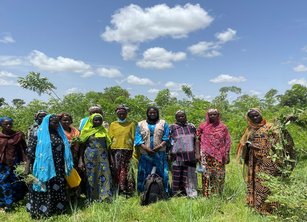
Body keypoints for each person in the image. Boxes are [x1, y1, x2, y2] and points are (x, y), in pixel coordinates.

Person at [236, 108, 295, 214]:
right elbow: (243, 144)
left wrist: (284, 123)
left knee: (267, 185)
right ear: (249, 118)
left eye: (256, 115)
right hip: (254, 162)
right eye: (252, 116)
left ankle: (270, 210)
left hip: (268, 162)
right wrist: (247, 146)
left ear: (261, 115)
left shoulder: (270, 127)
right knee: (256, 185)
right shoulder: (249, 129)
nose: (255, 118)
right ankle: (258, 208)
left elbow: (279, 136)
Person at [26, 114, 74, 218]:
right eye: (54, 122)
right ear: (47, 123)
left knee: (58, 187)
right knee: (44, 187)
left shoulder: (60, 134)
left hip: (58, 167)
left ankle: (57, 209)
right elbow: (30, 150)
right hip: (43, 167)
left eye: (58, 122)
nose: (57, 124)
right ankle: (42, 211)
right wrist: (27, 167)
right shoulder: (38, 134)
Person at [134, 106, 170, 195]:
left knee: (162, 173)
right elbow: (138, 139)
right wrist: (146, 148)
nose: (152, 114)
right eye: (150, 113)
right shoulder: (140, 124)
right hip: (145, 154)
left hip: (160, 153)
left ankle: (163, 192)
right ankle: (143, 192)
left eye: (154, 112)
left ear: (157, 113)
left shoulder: (163, 123)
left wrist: (158, 147)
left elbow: (167, 137)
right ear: (147, 113)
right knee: (144, 173)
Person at [197, 109, 231, 197]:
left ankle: (217, 194)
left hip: (220, 155)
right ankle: (207, 194)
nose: (212, 116)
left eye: (214, 114)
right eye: (210, 115)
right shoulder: (202, 126)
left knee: (219, 174)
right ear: (207, 115)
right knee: (206, 175)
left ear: (218, 115)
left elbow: (227, 141)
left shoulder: (223, 127)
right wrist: (197, 153)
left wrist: (227, 154)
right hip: (205, 155)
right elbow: (197, 139)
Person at [79, 113, 112, 202]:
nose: (98, 122)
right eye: (95, 120)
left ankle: (105, 197)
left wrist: (110, 158)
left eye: (100, 120)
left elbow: (108, 146)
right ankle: (92, 197)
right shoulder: (86, 131)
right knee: (91, 176)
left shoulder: (104, 131)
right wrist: (80, 161)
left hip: (103, 157)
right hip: (90, 157)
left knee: (105, 175)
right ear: (91, 121)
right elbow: (81, 147)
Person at [169, 110, 199, 198]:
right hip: (177, 155)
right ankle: (177, 193)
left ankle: (191, 193)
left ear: (186, 117)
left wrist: (197, 153)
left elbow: (196, 140)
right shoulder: (172, 127)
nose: (181, 118)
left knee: (190, 174)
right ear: (176, 118)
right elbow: (168, 141)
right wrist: (170, 153)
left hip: (190, 155)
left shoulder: (191, 126)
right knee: (177, 174)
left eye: (183, 116)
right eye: (179, 116)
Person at [0, 117, 27, 211]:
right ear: (1, 125)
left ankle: (16, 201)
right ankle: (6, 204)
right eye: (5, 124)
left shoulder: (18, 136)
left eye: (10, 124)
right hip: (2, 165)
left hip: (16, 164)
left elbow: (24, 149)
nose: (8, 126)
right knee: (3, 184)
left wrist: (25, 163)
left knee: (17, 183)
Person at [109, 104, 136, 196]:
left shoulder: (131, 124)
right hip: (115, 150)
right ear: (117, 114)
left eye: (123, 113)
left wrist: (134, 151)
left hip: (128, 150)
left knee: (127, 170)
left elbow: (134, 138)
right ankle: (118, 190)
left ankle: (128, 190)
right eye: (119, 113)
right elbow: (109, 138)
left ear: (126, 114)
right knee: (117, 169)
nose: (121, 115)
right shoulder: (113, 124)